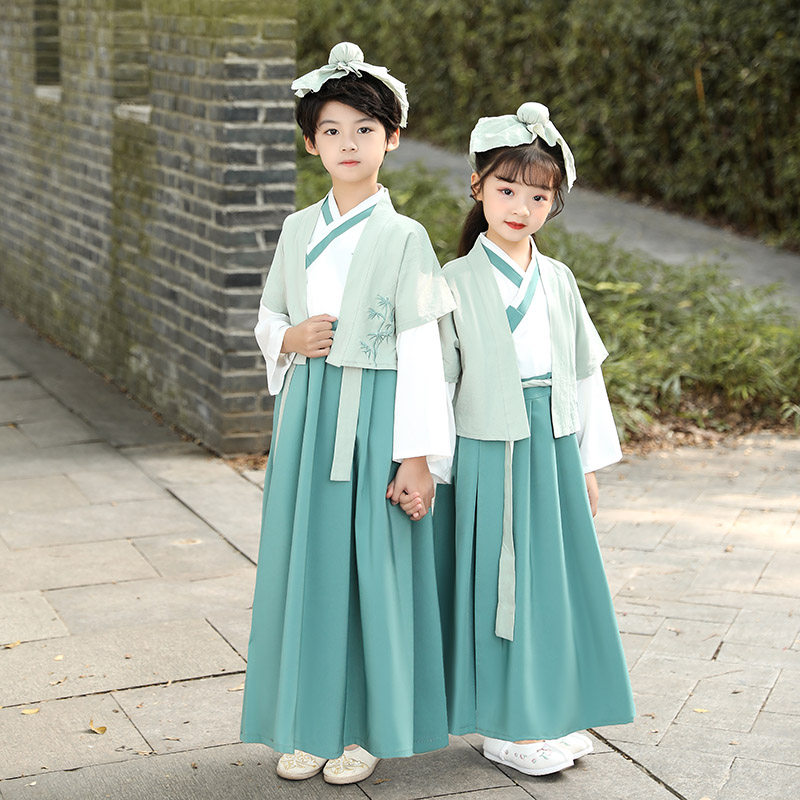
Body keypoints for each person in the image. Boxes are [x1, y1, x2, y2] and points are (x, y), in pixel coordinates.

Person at [240, 43, 455, 785]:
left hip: (377, 418)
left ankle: (363, 726)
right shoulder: (297, 228)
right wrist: (289, 339)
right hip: (308, 416)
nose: (348, 144)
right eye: (331, 130)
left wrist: (417, 455)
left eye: (365, 129)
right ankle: (310, 721)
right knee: (309, 563)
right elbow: (270, 317)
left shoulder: (405, 237)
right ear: (311, 143)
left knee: (371, 568)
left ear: (392, 138)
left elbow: (424, 350)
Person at [433, 102, 635, 777]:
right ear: (478, 187)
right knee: (502, 587)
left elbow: (582, 373)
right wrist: (433, 466)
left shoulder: (558, 280)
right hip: (489, 453)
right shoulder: (453, 282)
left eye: (539, 196)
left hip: (550, 447)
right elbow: (438, 383)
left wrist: (586, 462)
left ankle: (550, 710)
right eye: (507, 189)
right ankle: (507, 725)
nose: (521, 207)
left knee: (552, 583)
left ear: (554, 203)